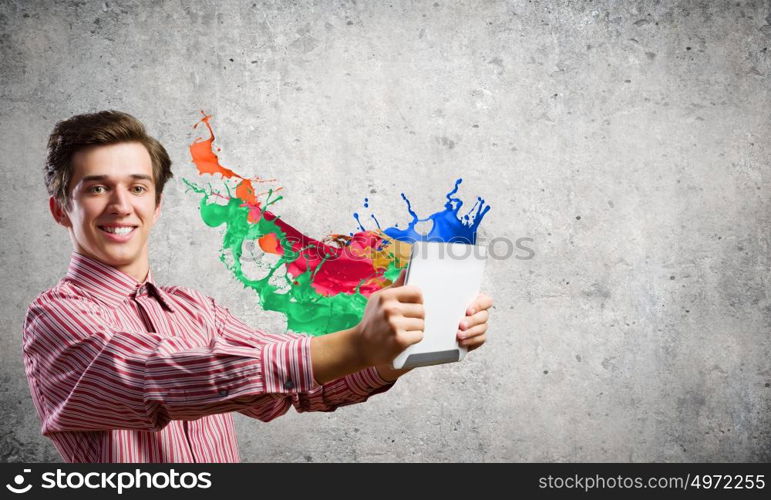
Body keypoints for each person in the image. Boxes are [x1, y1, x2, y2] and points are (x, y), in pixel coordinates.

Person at [22, 110, 493, 463]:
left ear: (158, 206)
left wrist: (405, 347)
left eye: (138, 187)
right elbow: (158, 380)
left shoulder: (194, 310)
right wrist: (357, 342)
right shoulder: (57, 317)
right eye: (97, 188)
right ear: (61, 209)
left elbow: (301, 388)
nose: (122, 205)